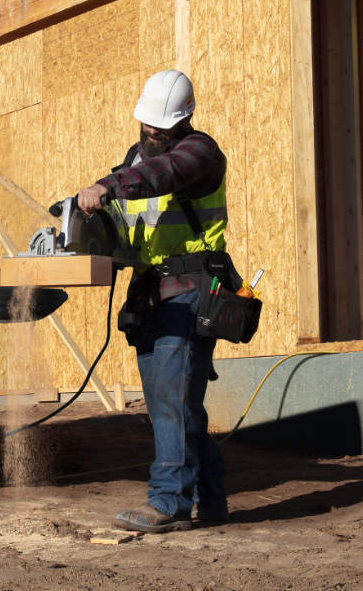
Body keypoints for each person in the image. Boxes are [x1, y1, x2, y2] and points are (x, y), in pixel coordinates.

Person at [76, 69, 227, 533]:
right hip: (150, 294)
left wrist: (110, 187)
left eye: (161, 126)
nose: (152, 132)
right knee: (179, 405)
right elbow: (124, 182)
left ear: (186, 119)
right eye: (148, 124)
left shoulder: (201, 153)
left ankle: (168, 503)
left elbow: (162, 175)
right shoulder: (134, 159)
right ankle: (210, 500)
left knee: (171, 403)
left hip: (190, 291)